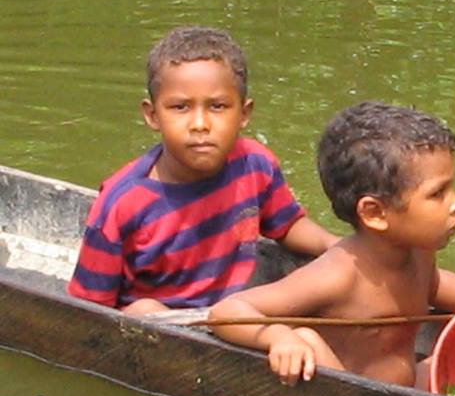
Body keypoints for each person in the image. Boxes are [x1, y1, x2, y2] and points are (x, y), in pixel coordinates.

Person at [207, 101, 455, 387]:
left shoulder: (420, 255)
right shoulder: (337, 276)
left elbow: (435, 285)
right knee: (307, 338)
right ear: (375, 213)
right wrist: (279, 336)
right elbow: (226, 313)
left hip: (406, 391)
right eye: (438, 193)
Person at [68, 26, 338, 315]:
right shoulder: (122, 204)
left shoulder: (254, 164)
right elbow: (90, 308)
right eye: (180, 107)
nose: (200, 124)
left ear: (244, 114)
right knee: (143, 311)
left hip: (236, 308)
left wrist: (334, 245)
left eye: (218, 106)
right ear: (153, 115)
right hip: (169, 325)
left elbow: (286, 224)